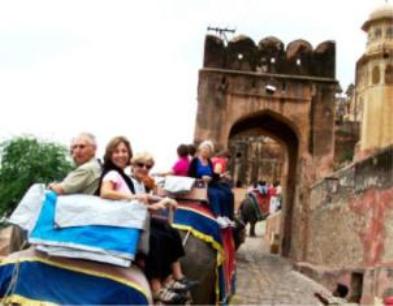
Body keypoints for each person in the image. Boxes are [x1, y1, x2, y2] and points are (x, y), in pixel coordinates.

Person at [98, 137, 194, 304]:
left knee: (167, 229)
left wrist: (154, 203)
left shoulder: (125, 177)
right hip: (123, 222)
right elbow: (106, 193)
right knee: (155, 238)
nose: (121, 155)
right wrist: (140, 198)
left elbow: (137, 202)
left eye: (124, 151)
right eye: (117, 151)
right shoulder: (113, 174)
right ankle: (156, 286)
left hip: (133, 218)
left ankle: (175, 276)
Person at [188, 140, 235, 227]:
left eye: (208, 150)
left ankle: (226, 216)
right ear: (200, 149)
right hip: (199, 184)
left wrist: (220, 175)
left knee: (226, 192)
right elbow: (190, 174)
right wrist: (201, 178)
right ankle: (218, 216)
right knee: (215, 194)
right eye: (205, 148)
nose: (206, 151)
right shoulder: (195, 161)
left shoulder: (209, 161)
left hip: (209, 183)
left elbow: (213, 175)